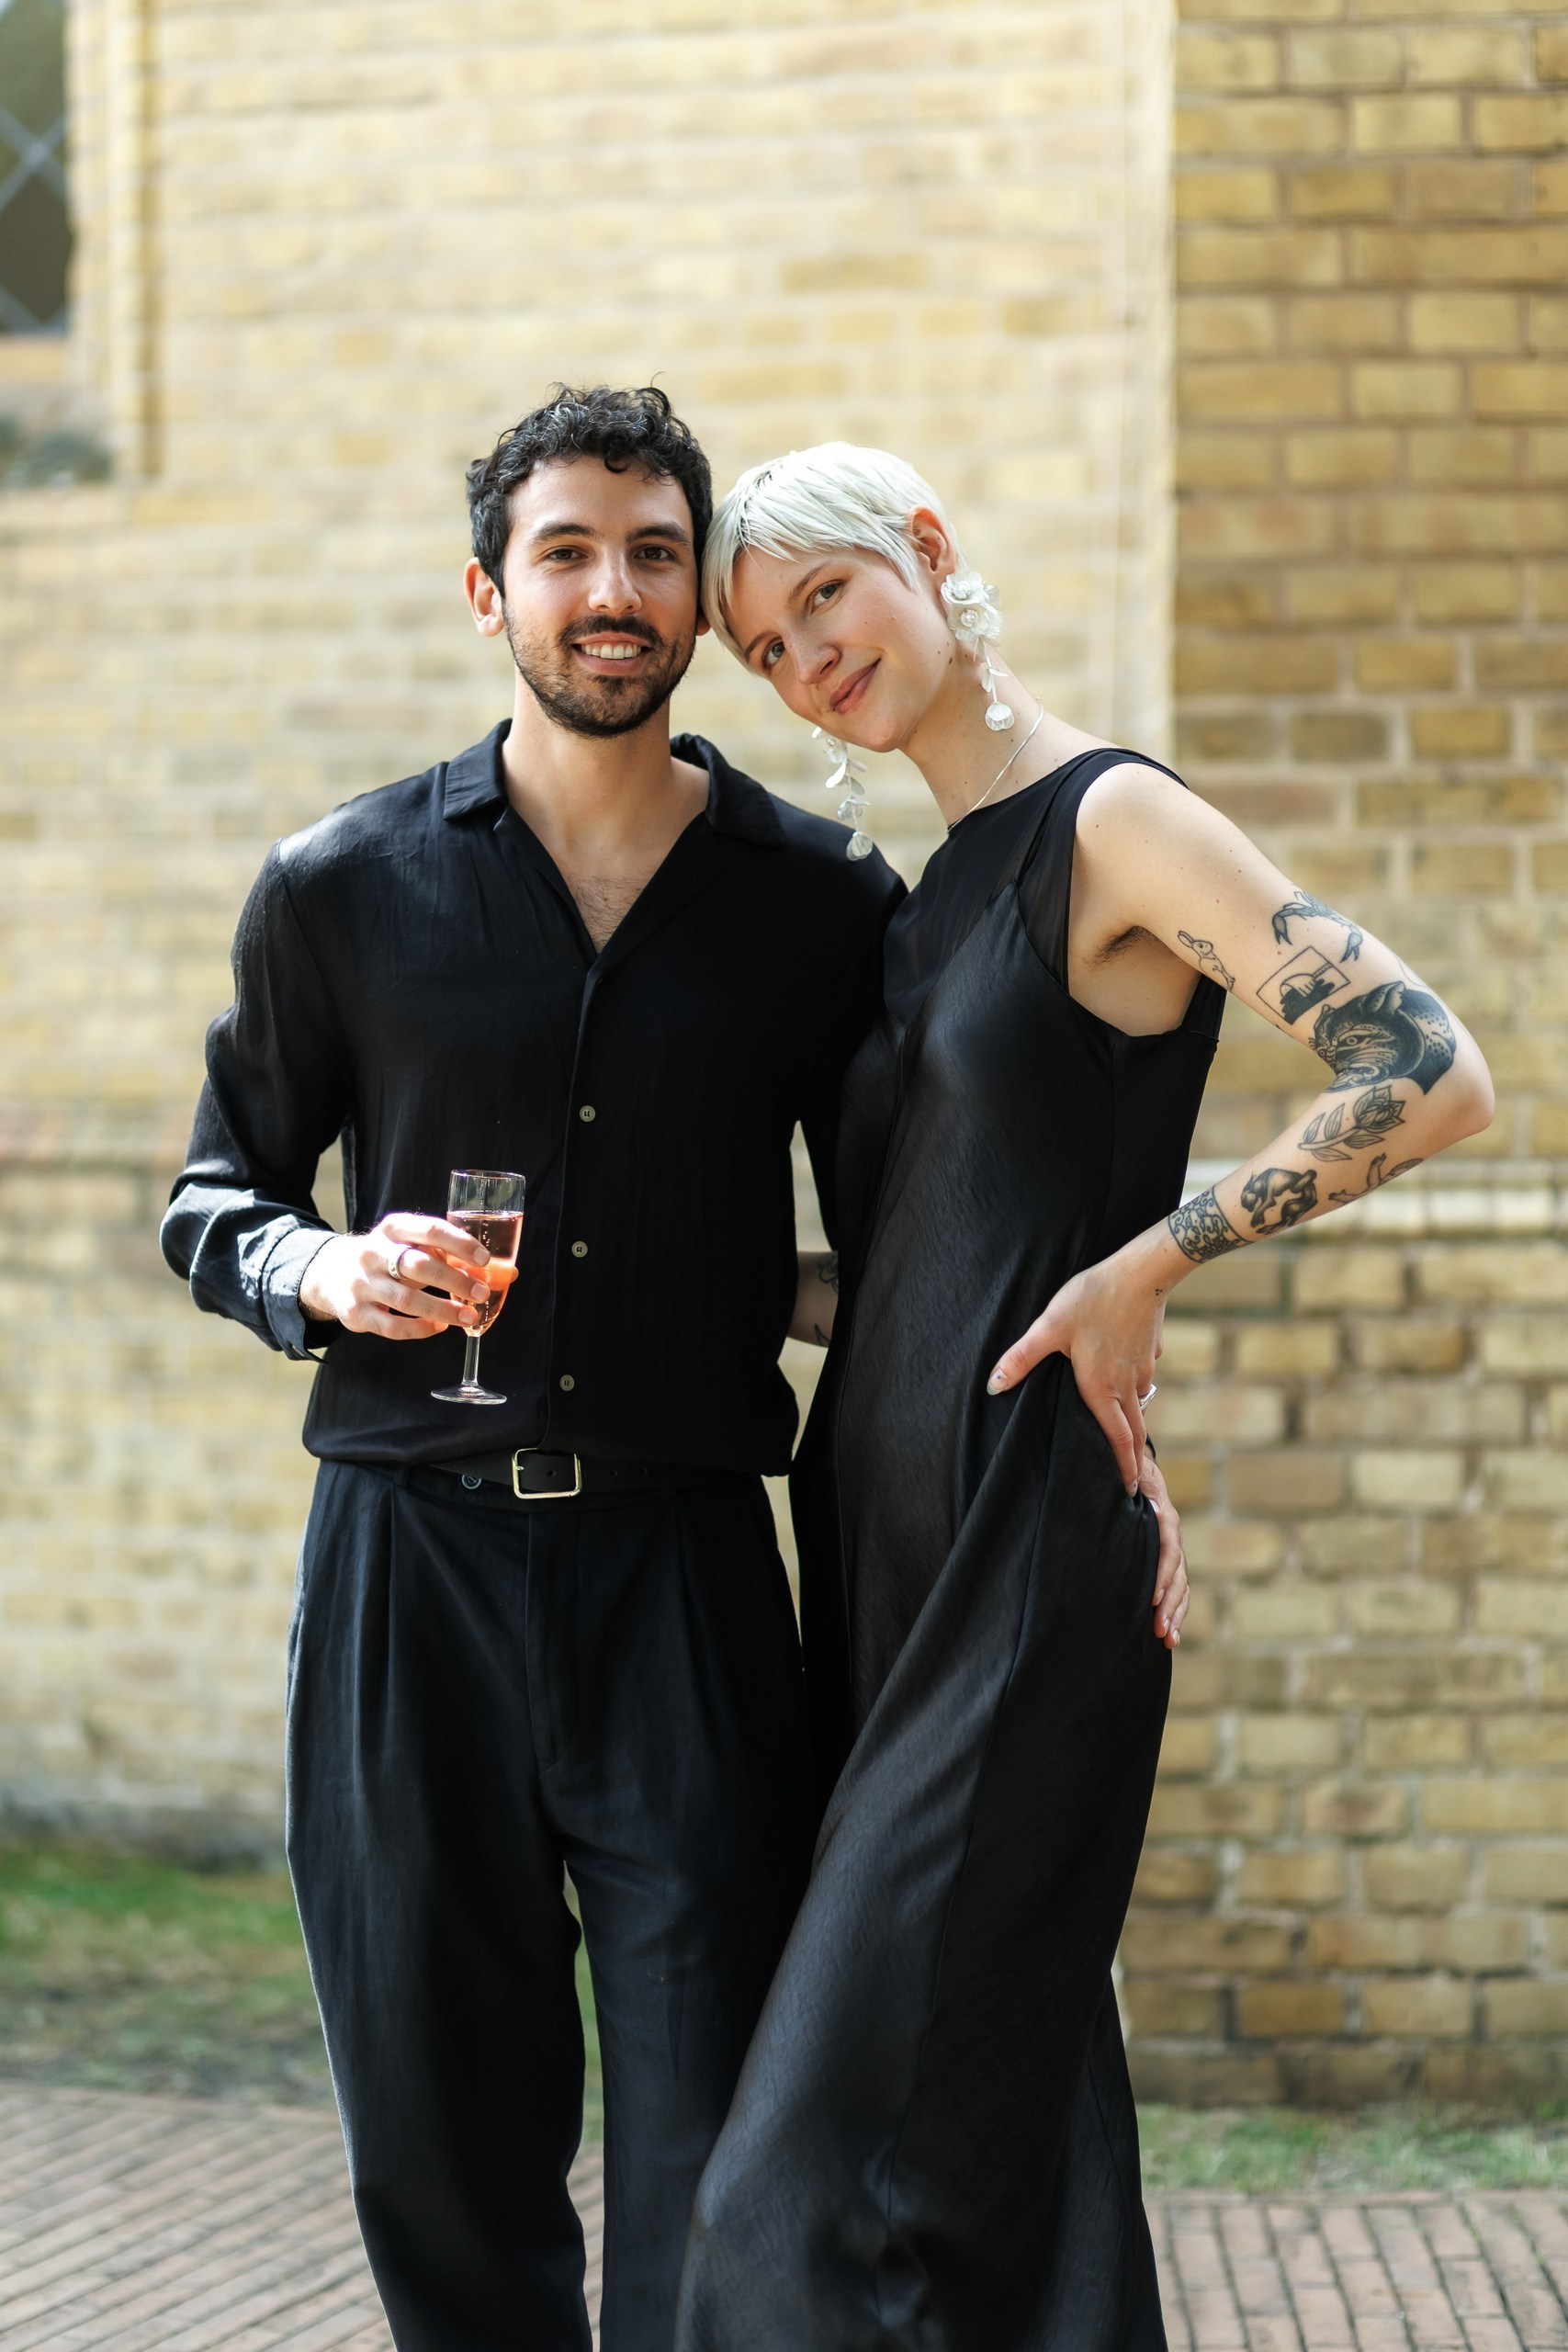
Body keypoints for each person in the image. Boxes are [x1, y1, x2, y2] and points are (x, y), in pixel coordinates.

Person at [677, 444, 1495, 2352]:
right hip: (874, 1563)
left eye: (824, 597)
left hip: (1021, 1557)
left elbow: (1425, 1065)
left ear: (925, 552)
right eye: (767, 649)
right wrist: (660, 1276)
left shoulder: (1109, 820)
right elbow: (926, 1279)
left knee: (788, 2193)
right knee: (1012, 2147)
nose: (806, 661)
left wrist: (1152, 1267)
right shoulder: (918, 904)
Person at [158, 386, 921, 2352]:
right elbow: (214, 1198)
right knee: (435, 2127)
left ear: (698, 597)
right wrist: (324, 1263)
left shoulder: (822, 907)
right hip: (404, 1575)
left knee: (715, 2135)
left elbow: (896, 1257)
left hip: (685, 1578)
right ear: (489, 591)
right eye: (566, 552)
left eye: (653, 553)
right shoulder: (339, 884)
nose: (612, 592)